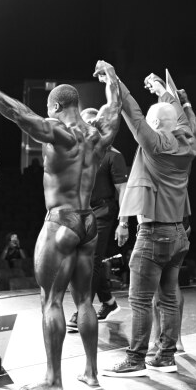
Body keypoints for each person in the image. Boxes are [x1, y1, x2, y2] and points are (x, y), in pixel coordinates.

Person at [0, 60, 121, 390]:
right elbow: (114, 107)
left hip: (61, 221)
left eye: (49, 109)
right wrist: (111, 77)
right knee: (84, 301)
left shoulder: (60, 133)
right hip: (89, 221)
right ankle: (91, 373)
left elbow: (18, 114)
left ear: (56, 107)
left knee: (51, 300)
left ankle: (53, 379)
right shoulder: (97, 134)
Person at [101, 72, 196, 377]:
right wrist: (162, 90)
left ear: (155, 124)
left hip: (154, 233)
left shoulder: (155, 144)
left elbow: (132, 112)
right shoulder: (189, 141)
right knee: (168, 298)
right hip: (178, 233)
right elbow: (181, 117)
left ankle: (135, 360)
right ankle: (165, 357)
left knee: (140, 300)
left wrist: (114, 79)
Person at [66, 107, 127, 333]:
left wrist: (123, 223)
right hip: (80, 211)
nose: (89, 126)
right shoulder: (77, 153)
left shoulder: (113, 155)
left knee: (90, 261)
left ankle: (83, 311)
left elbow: (123, 190)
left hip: (102, 212)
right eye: (85, 123)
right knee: (89, 260)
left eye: (93, 122)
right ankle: (108, 302)